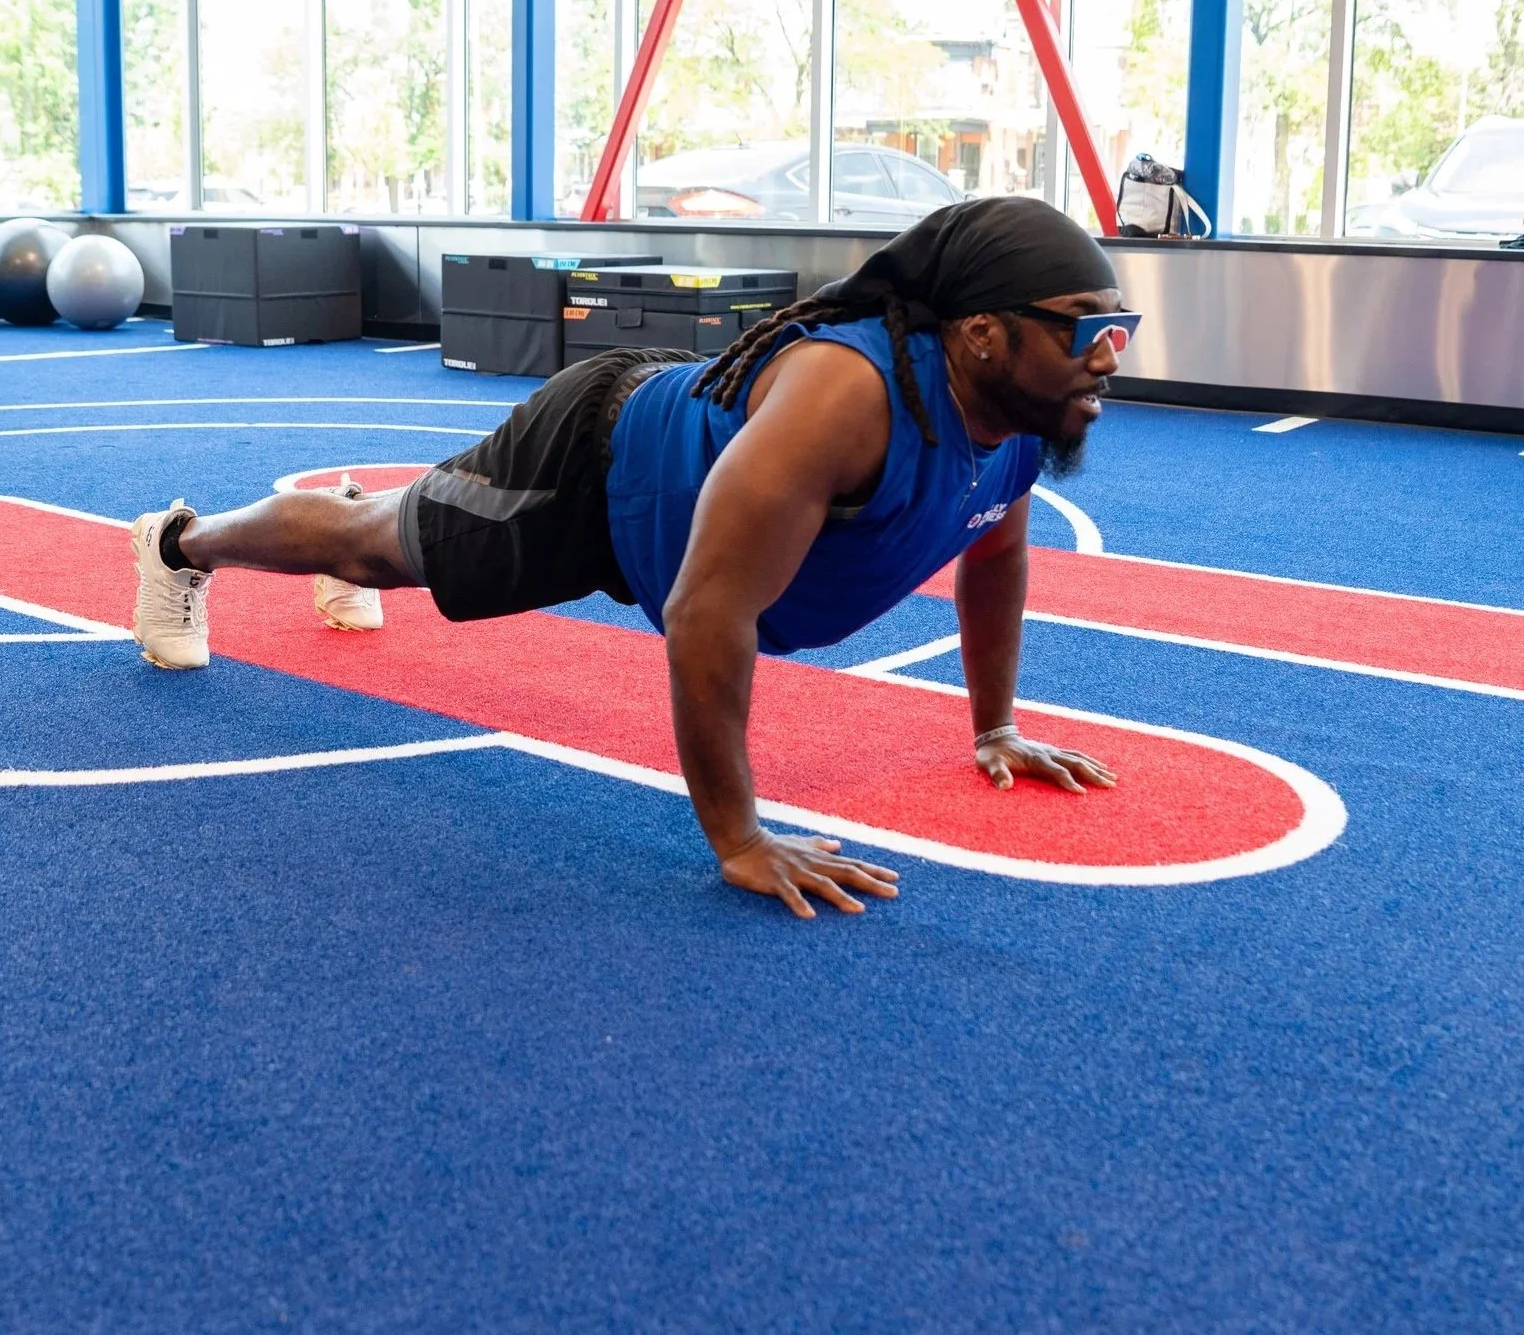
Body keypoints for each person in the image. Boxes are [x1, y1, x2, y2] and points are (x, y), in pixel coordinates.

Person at [131, 198, 1137, 919]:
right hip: (599, 471)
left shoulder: (1014, 421)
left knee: (383, 540)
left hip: (682, 488)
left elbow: (994, 550)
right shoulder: (851, 401)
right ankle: (181, 541)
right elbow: (706, 613)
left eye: (1120, 329)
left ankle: (335, 524)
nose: (1110, 355)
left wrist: (995, 724)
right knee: (374, 549)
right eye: (1089, 330)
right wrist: (739, 837)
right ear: (979, 336)